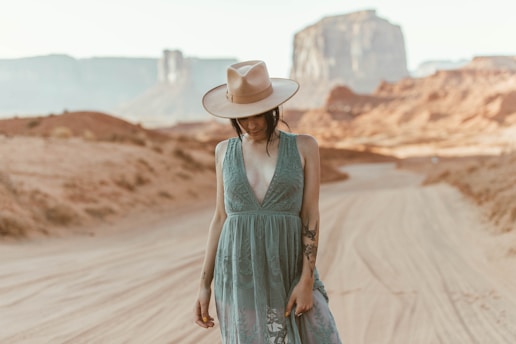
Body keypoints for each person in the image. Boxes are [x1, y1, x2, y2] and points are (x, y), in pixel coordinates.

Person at [193, 60, 342, 343]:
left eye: (258, 114)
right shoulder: (223, 151)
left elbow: (310, 215)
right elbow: (221, 218)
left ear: (273, 109)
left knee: (321, 334)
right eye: (241, 116)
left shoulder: (304, 146)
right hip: (238, 272)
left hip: (289, 266)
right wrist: (204, 285)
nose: (250, 124)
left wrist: (307, 279)